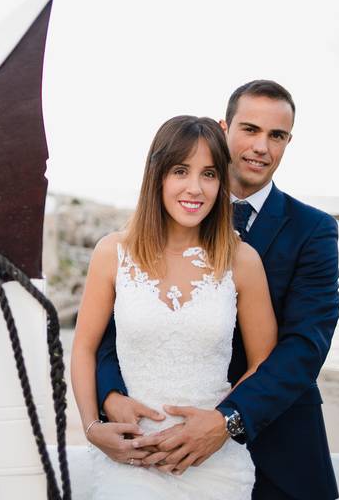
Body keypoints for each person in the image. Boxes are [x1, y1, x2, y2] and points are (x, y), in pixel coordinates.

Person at [93, 80, 339, 499]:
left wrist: (227, 420)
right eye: (250, 129)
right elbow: (112, 332)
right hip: (157, 443)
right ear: (224, 129)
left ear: (287, 143)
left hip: (278, 443)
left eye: (276, 136)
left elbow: (305, 347)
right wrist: (110, 395)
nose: (261, 146)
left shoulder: (313, 230)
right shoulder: (157, 226)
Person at [72, 114, 278, 499]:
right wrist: (92, 428)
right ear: (158, 175)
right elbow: (84, 348)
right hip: (131, 457)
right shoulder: (111, 253)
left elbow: (262, 365)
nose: (195, 188)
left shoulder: (243, 261)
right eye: (181, 171)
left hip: (212, 459)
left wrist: (222, 426)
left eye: (210, 174)